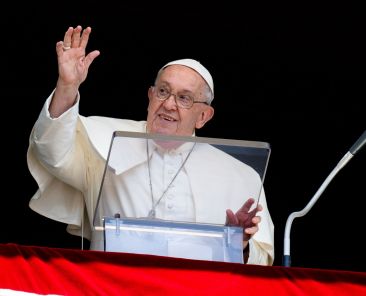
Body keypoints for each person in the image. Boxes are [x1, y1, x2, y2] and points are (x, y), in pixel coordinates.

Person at [27, 25, 274, 265]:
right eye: (163, 91)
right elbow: (51, 152)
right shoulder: (104, 143)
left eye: (184, 98)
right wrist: (67, 87)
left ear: (203, 116)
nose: (169, 104)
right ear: (150, 96)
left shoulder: (238, 175)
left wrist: (238, 244)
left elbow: (262, 263)